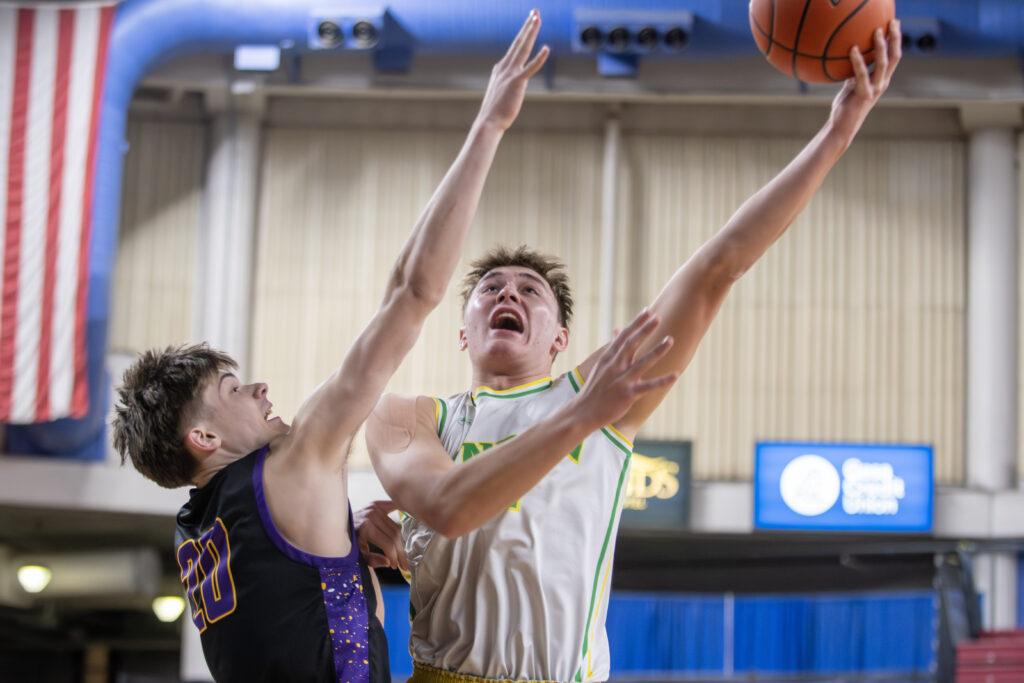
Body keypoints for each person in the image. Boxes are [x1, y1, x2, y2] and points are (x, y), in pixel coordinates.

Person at [366, 21, 904, 683]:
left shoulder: (604, 391)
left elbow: (718, 267)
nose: (509, 292)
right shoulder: (408, 416)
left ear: (560, 339)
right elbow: (446, 504)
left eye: (531, 290)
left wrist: (837, 135)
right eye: (490, 288)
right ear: (463, 328)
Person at [111, 12, 555, 683]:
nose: (260, 389)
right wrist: (489, 124)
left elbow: (306, 614)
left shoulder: (200, 530)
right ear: (202, 436)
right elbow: (410, 293)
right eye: (234, 390)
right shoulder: (289, 465)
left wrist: (363, 550)